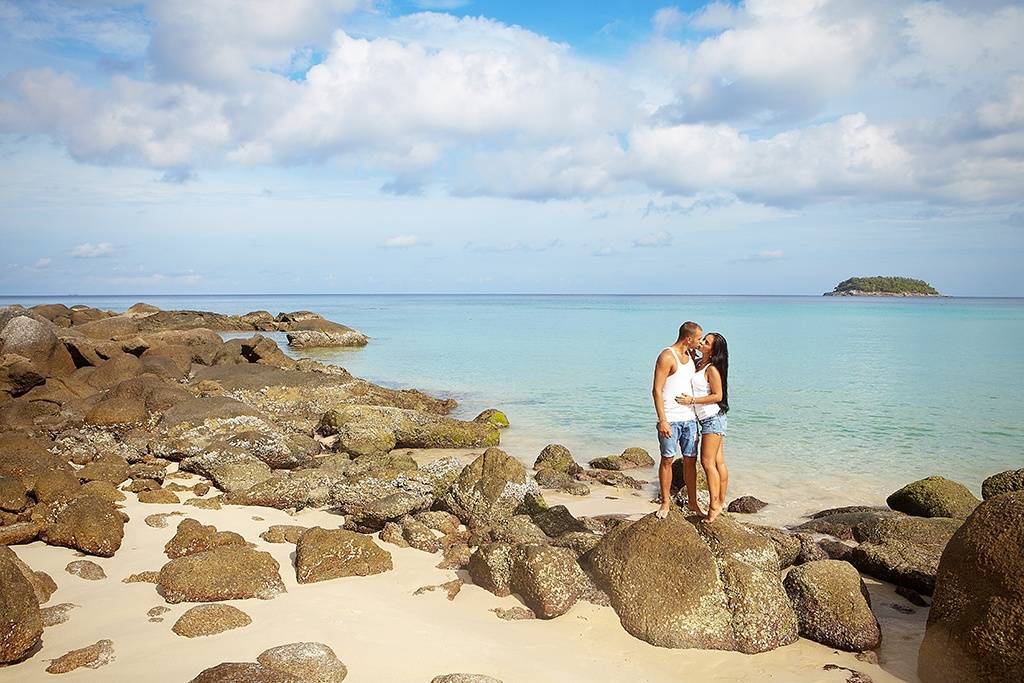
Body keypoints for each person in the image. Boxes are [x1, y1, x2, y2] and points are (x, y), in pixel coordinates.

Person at [652, 321, 703, 519]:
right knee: (667, 460)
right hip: (671, 419)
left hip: (690, 419)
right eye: (698, 338)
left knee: (691, 461)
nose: (700, 342)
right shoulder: (666, 356)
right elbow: (656, 390)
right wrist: (662, 420)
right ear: (688, 338)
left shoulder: (691, 355)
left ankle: (693, 503)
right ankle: (665, 502)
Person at [677, 332, 729, 522]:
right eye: (703, 340)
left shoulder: (712, 370)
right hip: (710, 418)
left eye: (706, 342)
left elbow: (718, 396)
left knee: (708, 463)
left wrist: (692, 400)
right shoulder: (700, 363)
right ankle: (721, 501)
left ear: (713, 350)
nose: (701, 343)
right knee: (718, 462)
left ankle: (714, 505)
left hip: (712, 419)